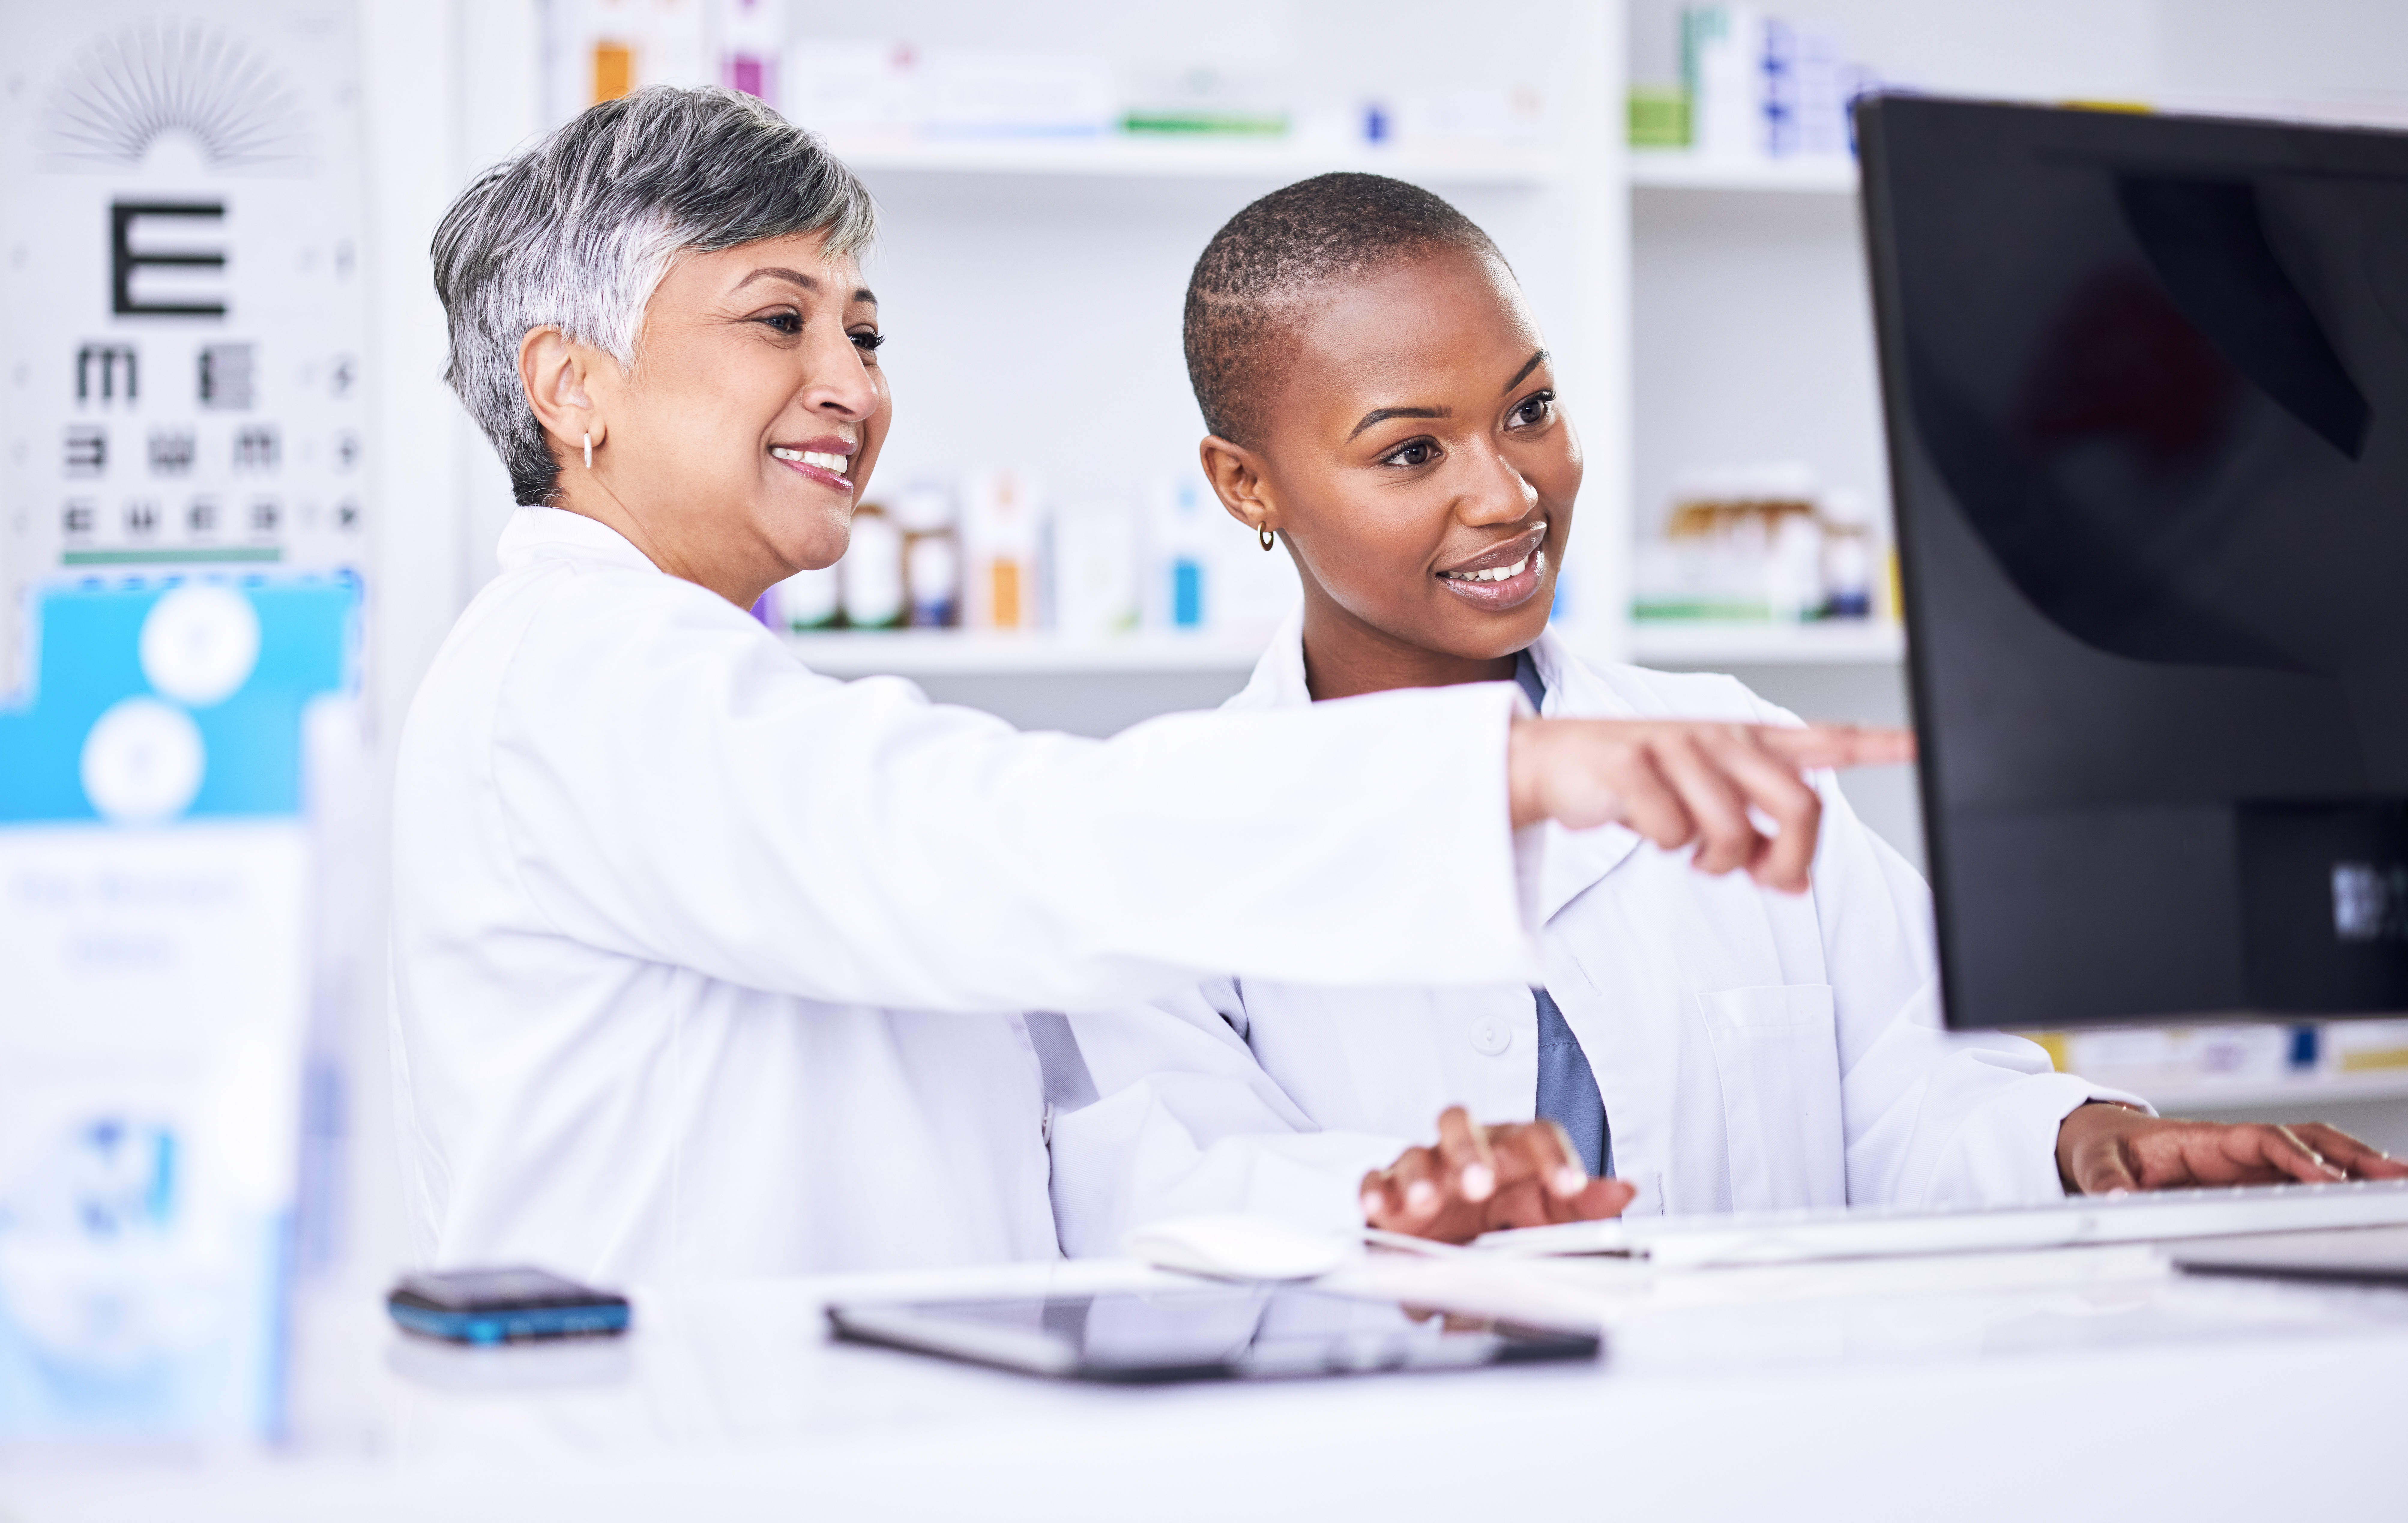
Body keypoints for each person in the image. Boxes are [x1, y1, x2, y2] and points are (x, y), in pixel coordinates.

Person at [390, 91, 1903, 1286]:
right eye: (777, 321)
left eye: (861, 330)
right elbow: (969, 844)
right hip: (686, 1454)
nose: (850, 384)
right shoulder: (577, 680)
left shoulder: (707, 684)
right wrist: (1494, 774)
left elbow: (1063, 1167)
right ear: (568, 385)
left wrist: (1372, 1198)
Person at [1043, 173, 2408, 1254]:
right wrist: (1393, 1204)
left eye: (1529, 411)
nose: (1508, 494)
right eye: (1410, 450)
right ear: (1244, 484)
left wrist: (2080, 1139)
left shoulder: (1724, 746)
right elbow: (1166, 1192)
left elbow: (1913, 1093)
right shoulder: (1173, 836)